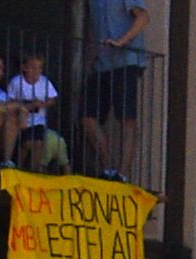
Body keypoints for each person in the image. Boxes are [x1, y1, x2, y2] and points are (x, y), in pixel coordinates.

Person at [80, 0, 147, 177]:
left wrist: (121, 41)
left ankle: (122, 173)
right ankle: (108, 167)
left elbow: (143, 18)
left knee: (127, 119)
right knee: (88, 117)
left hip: (125, 61)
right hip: (101, 64)